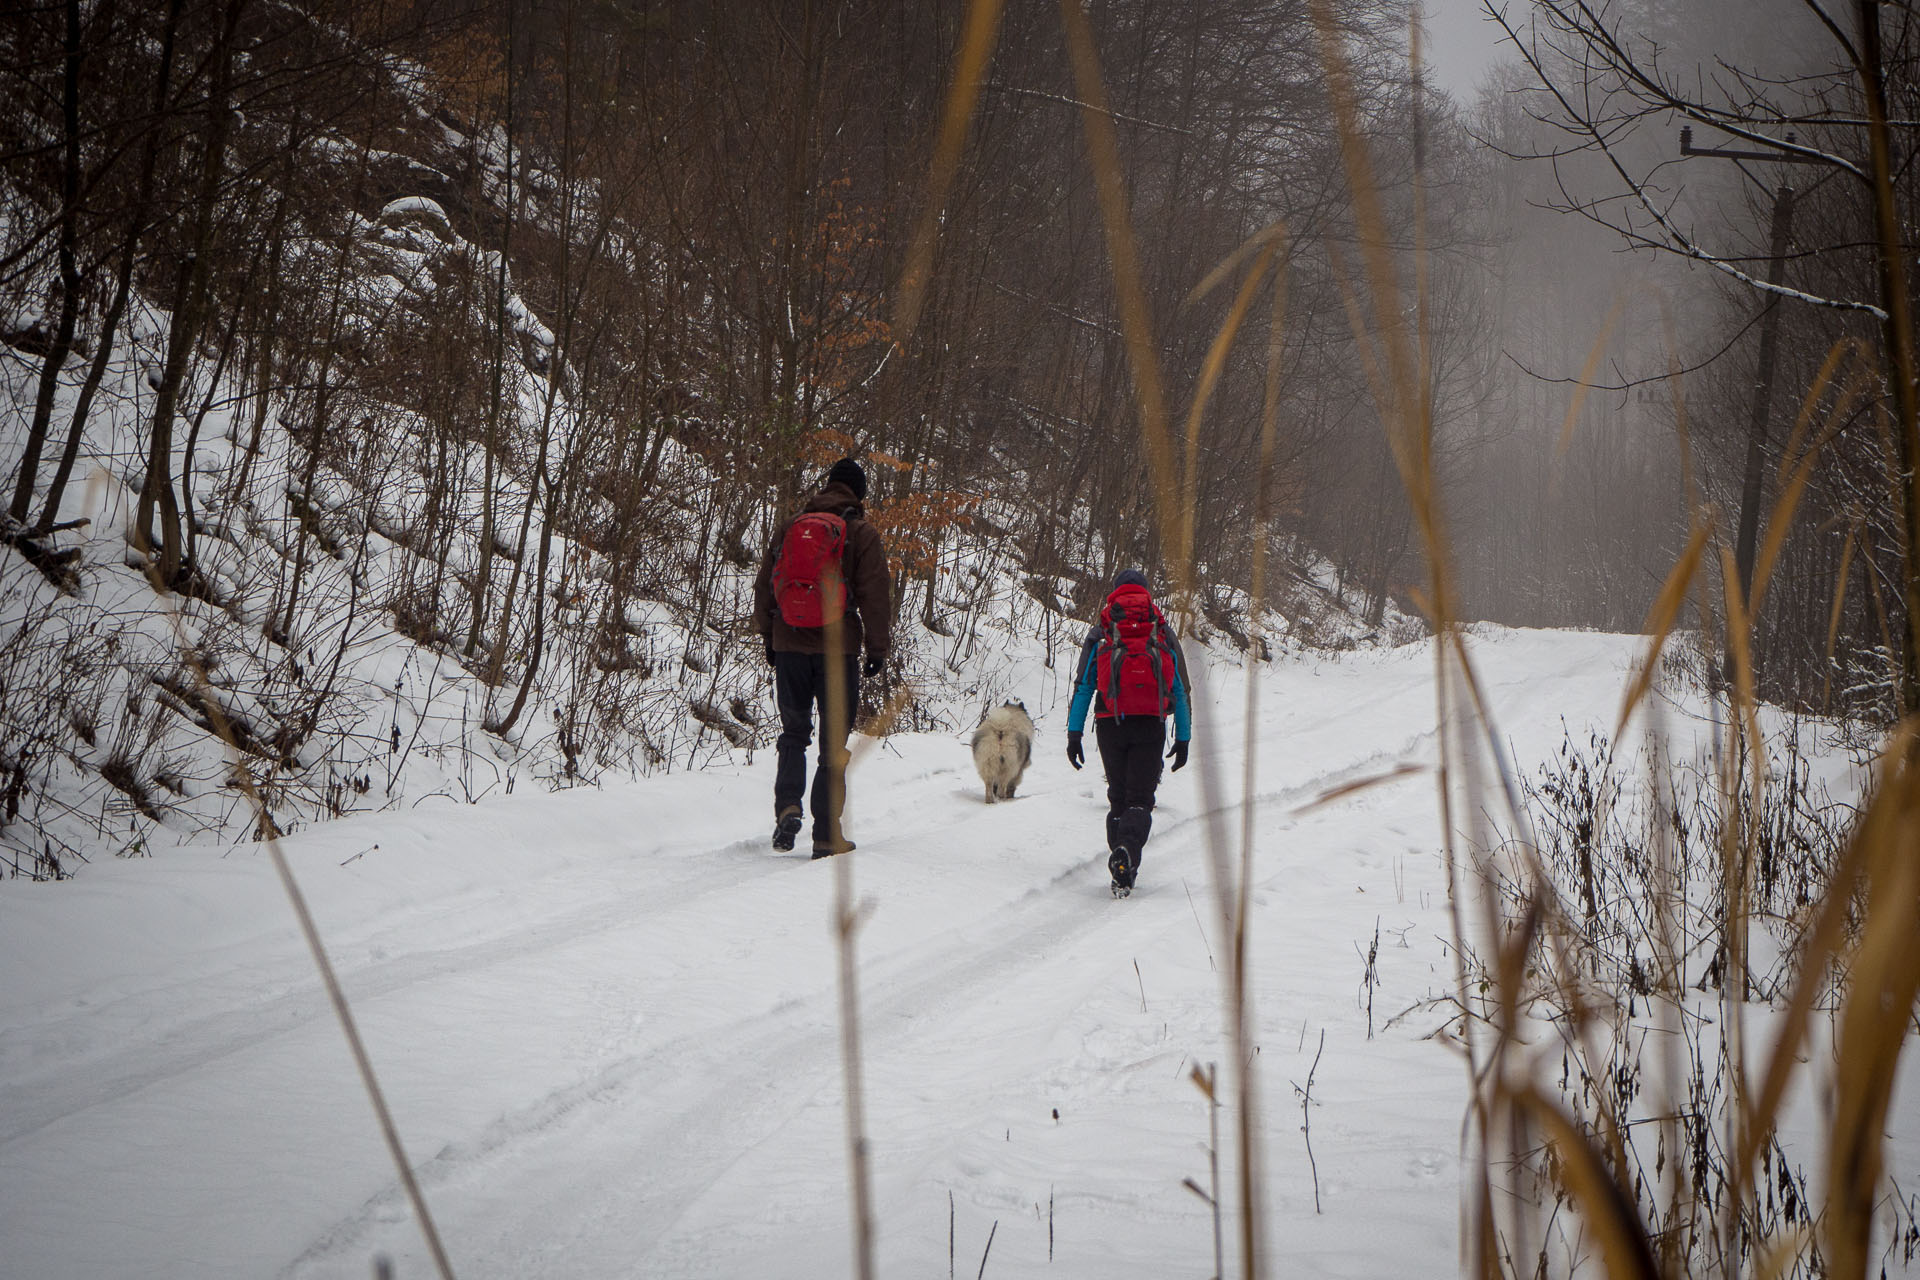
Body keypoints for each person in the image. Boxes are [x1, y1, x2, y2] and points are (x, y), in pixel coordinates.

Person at [753, 457, 892, 858]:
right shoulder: (860, 532)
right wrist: (877, 649)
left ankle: (788, 806)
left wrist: (769, 635)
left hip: (789, 644)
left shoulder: (791, 526)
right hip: (837, 650)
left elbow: (766, 585)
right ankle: (827, 832)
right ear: (859, 493)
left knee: (794, 734)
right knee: (834, 744)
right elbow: (875, 595)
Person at [1064, 568, 1191, 894]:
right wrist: (1183, 737)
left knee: (1118, 800)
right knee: (1140, 802)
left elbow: (1084, 687)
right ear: (1147, 594)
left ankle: (1121, 860)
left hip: (1111, 724)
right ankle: (1128, 855)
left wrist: (1074, 734)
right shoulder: (1159, 631)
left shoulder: (1104, 631)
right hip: (1150, 723)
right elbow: (1178, 687)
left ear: (1115, 592)